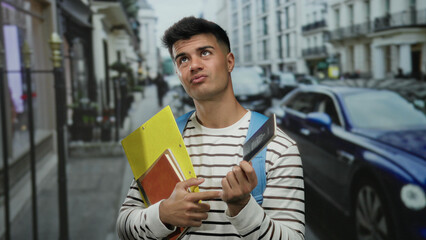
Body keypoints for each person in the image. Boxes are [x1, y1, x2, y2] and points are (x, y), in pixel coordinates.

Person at [117, 16, 305, 239]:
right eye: (183, 59)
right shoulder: (160, 139)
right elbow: (124, 226)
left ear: (229, 62)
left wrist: (243, 208)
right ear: (178, 73)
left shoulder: (278, 146)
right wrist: (163, 214)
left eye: (205, 52)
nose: (194, 65)